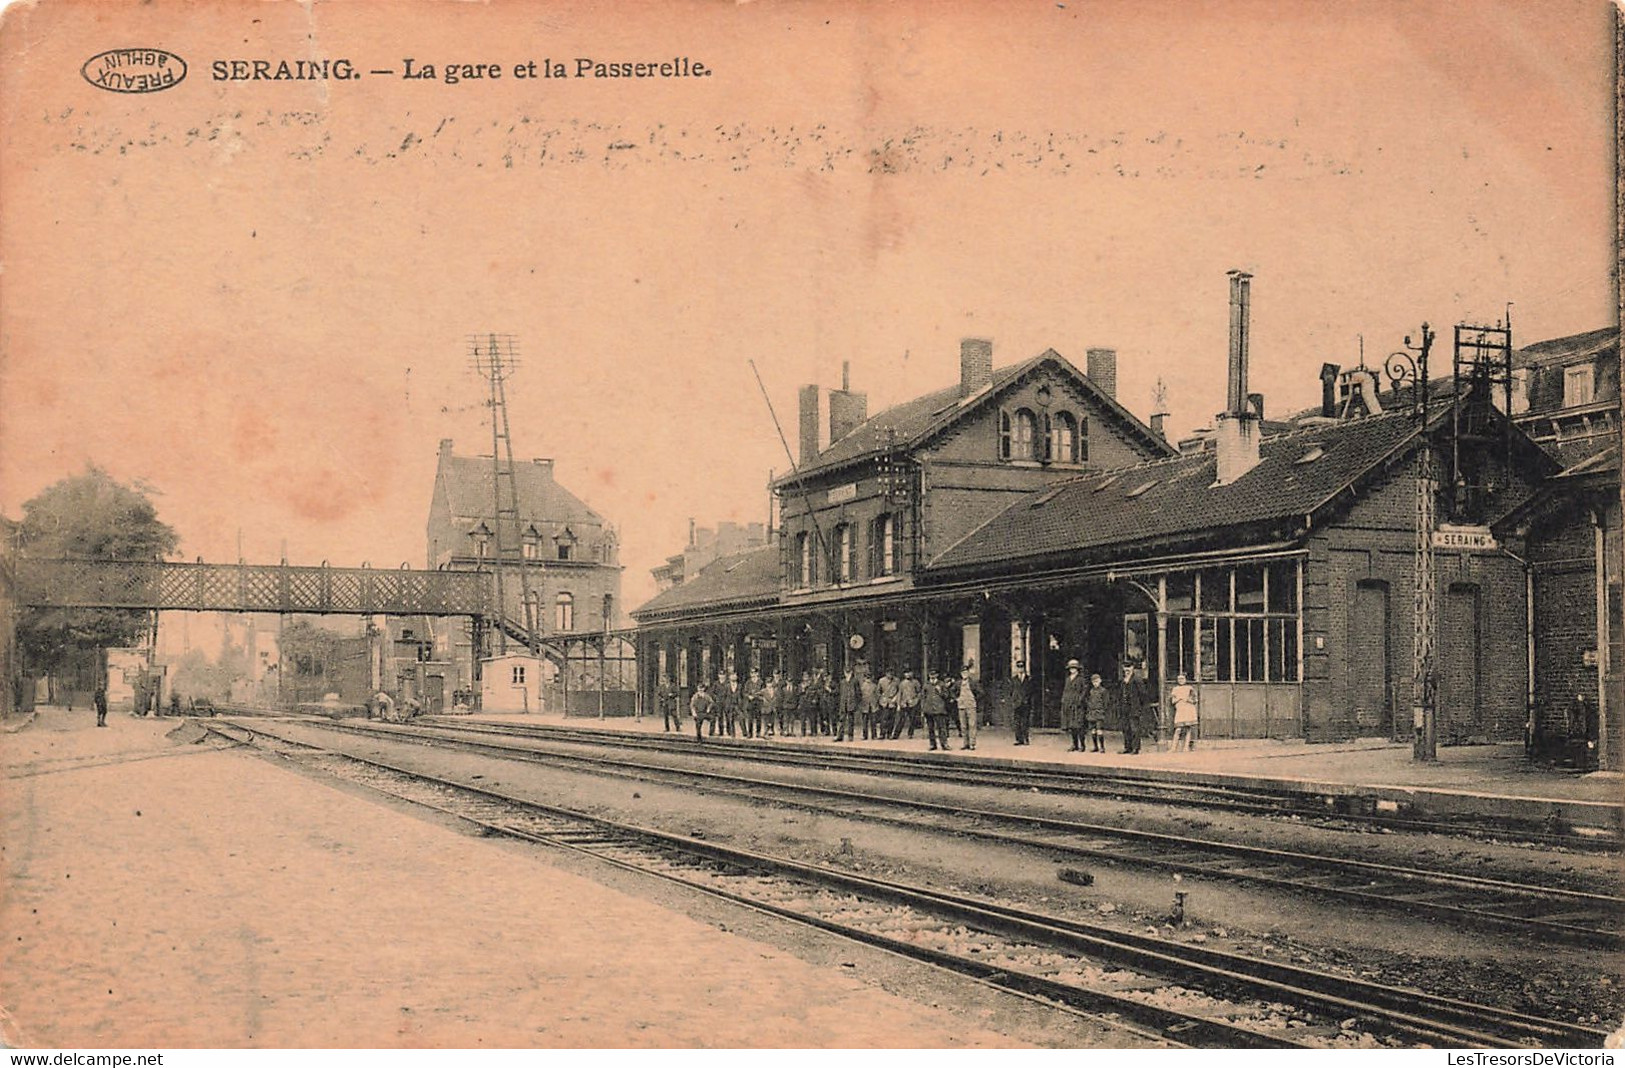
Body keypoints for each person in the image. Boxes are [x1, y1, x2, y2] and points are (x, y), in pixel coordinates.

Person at [1114, 663, 1151, 754]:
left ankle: (1136, 748)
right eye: (1125, 669)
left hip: (1134, 707)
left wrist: (1140, 706)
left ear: (1132, 668)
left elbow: (1143, 694)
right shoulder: (1123, 680)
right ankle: (1127, 747)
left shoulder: (1137, 679)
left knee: (1134, 728)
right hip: (1124, 707)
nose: (1126, 671)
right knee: (1126, 728)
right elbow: (1120, 694)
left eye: (1128, 669)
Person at [1060, 659, 1087, 751]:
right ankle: (1074, 744)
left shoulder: (1081, 679)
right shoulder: (1068, 679)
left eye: (1074, 668)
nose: (1072, 669)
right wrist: (1064, 700)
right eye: (1071, 668)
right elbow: (1065, 691)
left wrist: (1080, 700)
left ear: (1077, 669)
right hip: (1069, 704)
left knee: (1079, 726)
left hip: (1077, 705)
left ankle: (1082, 745)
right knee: (1072, 726)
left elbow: (1084, 691)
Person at [922, 670, 951, 751]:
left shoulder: (941, 684)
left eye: (934, 674)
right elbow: (923, 697)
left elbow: (946, 695)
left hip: (939, 709)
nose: (932, 676)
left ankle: (944, 744)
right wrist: (923, 708)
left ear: (937, 675)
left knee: (941, 728)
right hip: (929, 709)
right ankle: (932, 744)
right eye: (931, 674)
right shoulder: (926, 685)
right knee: (930, 728)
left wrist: (940, 691)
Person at [1169, 673, 1199, 751]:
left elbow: (1195, 700)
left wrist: (1188, 700)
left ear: (1185, 679)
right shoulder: (1175, 689)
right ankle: (1173, 748)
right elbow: (1173, 701)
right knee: (1178, 729)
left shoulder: (1190, 688)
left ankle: (1186, 747)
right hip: (1180, 710)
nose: (1181, 680)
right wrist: (1179, 699)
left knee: (1188, 728)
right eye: (1179, 679)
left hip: (1188, 709)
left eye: (1182, 679)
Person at [957, 661, 982, 750]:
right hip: (961, 706)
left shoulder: (973, 682)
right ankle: (965, 743)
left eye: (966, 672)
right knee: (963, 726)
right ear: (961, 674)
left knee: (972, 725)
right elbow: (952, 691)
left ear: (968, 672)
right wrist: (956, 698)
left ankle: (972, 743)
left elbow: (981, 692)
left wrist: (975, 699)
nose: (965, 674)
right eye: (963, 672)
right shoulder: (958, 683)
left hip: (971, 706)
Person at [1010, 660, 1035, 745]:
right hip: (1017, 703)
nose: (1020, 669)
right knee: (1017, 722)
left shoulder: (1029, 679)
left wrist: (1028, 701)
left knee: (1025, 722)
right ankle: (1018, 739)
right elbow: (1012, 691)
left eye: (1021, 667)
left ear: (1024, 668)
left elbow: (1031, 691)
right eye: (1018, 667)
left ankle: (1025, 739)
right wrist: (1014, 701)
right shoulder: (1014, 679)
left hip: (1025, 703)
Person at [1084, 672, 1109, 752]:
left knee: (1099, 730)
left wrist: (1103, 710)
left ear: (1100, 681)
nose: (1095, 683)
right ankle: (1095, 747)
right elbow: (1089, 700)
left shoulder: (1103, 691)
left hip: (1099, 713)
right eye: (1094, 682)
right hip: (1092, 713)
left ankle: (1102, 747)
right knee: (1093, 730)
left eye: (1097, 681)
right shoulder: (1091, 691)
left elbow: (1106, 702)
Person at [895, 670, 921, 740]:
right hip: (904, 703)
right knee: (901, 719)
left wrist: (915, 701)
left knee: (912, 719)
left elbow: (919, 693)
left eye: (909, 673)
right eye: (906, 673)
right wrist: (898, 704)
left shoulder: (916, 682)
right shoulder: (902, 683)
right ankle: (896, 734)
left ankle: (910, 734)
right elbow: (899, 693)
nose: (908, 674)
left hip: (912, 703)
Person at [836, 666, 859, 742]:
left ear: (851, 672)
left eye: (849, 672)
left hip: (851, 703)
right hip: (843, 703)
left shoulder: (855, 681)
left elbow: (858, 693)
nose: (847, 674)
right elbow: (840, 693)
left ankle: (850, 736)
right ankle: (840, 736)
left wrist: (856, 703)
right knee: (841, 720)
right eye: (846, 672)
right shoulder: (842, 682)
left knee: (851, 720)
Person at [877, 670, 900, 740]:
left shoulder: (897, 681)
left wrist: (895, 698)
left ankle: (889, 733)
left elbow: (899, 691)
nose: (890, 675)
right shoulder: (881, 681)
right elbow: (878, 691)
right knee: (883, 718)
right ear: (886, 674)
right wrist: (881, 698)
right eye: (889, 674)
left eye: (891, 674)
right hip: (884, 701)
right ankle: (882, 734)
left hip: (893, 701)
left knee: (892, 719)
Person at [859, 670, 880, 740]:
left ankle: (874, 735)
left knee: (873, 722)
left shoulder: (874, 686)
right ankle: (865, 735)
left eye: (869, 678)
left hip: (873, 705)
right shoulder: (862, 686)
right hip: (865, 705)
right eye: (867, 678)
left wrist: (876, 702)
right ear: (864, 678)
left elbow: (877, 695)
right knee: (865, 722)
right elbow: (859, 695)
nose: (868, 679)